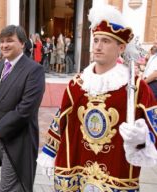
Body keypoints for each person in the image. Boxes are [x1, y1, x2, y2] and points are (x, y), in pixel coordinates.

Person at [37, 4, 157, 191]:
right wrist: (50, 150)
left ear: (121, 47)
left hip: (116, 171)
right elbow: (62, 119)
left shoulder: (136, 87)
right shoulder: (77, 84)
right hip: (77, 166)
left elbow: (154, 127)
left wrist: (142, 138)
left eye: (106, 41)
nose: (98, 46)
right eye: (96, 40)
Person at [0, 25, 45, 192]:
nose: (4, 45)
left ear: (22, 43)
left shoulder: (34, 70)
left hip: (19, 139)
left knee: (11, 187)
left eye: (10, 41)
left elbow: (26, 109)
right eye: (1, 41)